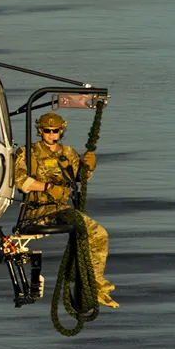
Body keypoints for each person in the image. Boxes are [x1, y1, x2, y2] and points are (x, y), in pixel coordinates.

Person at [13, 112, 118, 308]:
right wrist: (47, 188)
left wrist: (89, 168)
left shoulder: (68, 153)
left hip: (61, 209)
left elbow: (79, 178)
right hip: (39, 211)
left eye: (55, 131)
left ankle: (94, 281)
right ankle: (95, 283)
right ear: (40, 131)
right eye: (47, 131)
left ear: (61, 130)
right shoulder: (28, 152)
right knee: (94, 232)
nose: (51, 135)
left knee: (98, 234)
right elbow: (19, 180)